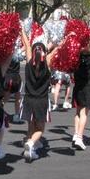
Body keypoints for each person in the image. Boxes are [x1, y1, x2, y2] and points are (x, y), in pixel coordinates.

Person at [19, 29, 58, 162]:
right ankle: (31, 143)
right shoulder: (47, 64)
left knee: (31, 125)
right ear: (44, 53)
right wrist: (67, 39)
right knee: (40, 128)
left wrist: (22, 30)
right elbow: (57, 50)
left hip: (28, 100)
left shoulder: (29, 62)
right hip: (41, 101)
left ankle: (30, 149)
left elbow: (27, 44)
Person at [71, 37, 90, 150]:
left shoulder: (76, 58)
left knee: (78, 112)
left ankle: (75, 134)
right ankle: (79, 137)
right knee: (84, 114)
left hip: (77, 88)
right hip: (87, 89)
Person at [3, 58, 23, 123]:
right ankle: (16, 115)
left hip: (9, 76)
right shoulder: (16, 52)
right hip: (14, 76)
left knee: (8, 97)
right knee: (16, 97)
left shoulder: (6, 52)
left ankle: (17, 115)